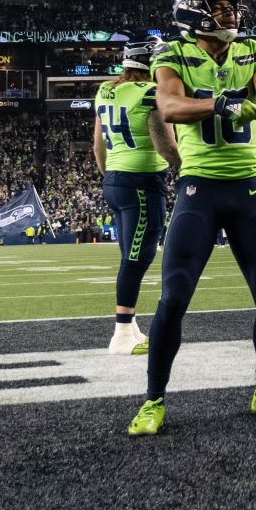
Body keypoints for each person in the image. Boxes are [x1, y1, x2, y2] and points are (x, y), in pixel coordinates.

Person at [127, 0, 256, 437]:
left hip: (248, 189)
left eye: (232, 7)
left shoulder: (252, 49)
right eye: (221, 8)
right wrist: (223, 104)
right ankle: (153, 400)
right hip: (198, 188)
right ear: (194, 10)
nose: (231, 15)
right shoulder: (173, 53)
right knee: (174, 297)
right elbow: (167, 105)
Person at [93, 35, 179, 356]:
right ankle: (121, 335)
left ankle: (130, 327)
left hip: (114, 179)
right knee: (137, 258)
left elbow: (97, 145)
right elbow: (165, 145)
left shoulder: (106, 90)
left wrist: (111, 177)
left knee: (130, 255)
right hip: (142, 181)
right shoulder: (150, 93)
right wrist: (186, 168)